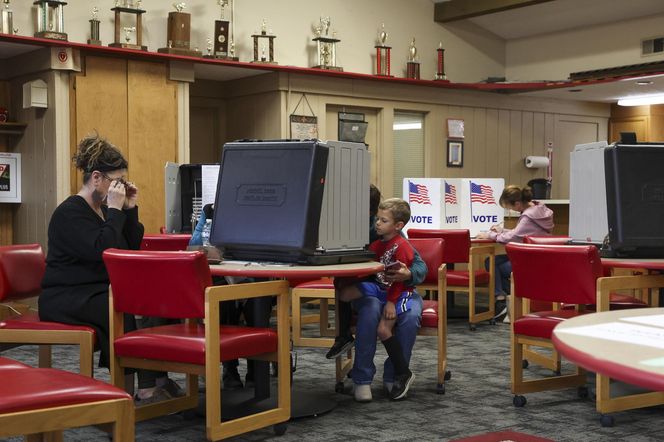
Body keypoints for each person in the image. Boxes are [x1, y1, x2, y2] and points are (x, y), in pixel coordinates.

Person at [39, 133, 182, 404]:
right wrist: (115, 211)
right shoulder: (68, 212)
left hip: (94, 289)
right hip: (65, 295)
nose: (119, 188)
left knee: (154, 299)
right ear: (96, 178)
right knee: (122, 306)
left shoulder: (105, 210)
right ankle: (137, 389)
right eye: (116, 182)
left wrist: (129, 209)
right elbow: (101, 251)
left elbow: (128, 248)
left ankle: (158, 378)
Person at [326, 185, 427, 360]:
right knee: (362, 301)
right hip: (365, 287)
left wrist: (409, 274)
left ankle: (397, 374)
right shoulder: (345, 227)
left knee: (403, 317)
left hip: (393, 289)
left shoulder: (386, 231)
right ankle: (348, 345)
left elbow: (420, 267)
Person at [337, 198, 422, 402]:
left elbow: (413, 269)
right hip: (377, 291)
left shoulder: (400, 242)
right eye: (377, 218)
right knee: (369, 308)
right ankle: (362, 379)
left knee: (408, 318)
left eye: (382, 220)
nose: (376, 223)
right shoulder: (369, 238)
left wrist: (408, 275)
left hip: (399, 292)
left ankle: (397, 374)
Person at [476, 185, 554, 321]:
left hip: (529, 259)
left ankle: (501, 301)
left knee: (493, 264)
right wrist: (501, 231)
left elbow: (513, 237)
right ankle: (502, 297)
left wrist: (489, 234)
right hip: (538, 256)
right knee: (493, 263)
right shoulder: (539, 210)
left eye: (510, 208)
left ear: (517, 204)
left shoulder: (528, 217)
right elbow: (521, 233)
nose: (511, 211)